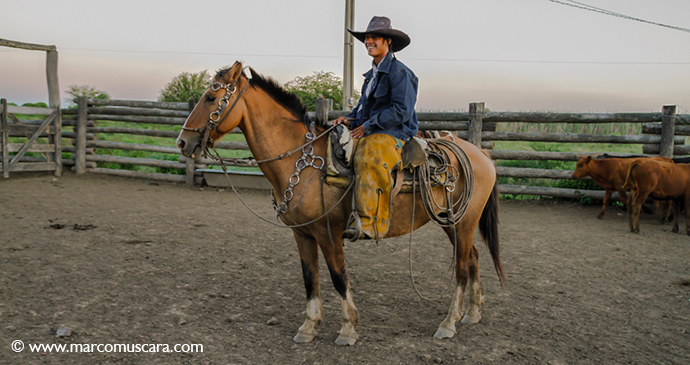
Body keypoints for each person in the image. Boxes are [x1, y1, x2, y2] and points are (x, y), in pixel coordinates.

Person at [334, 16, 419, 241]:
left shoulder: (400, 73)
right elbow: (364, 109)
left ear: (387, 41)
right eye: (367, 38)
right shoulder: (371, 76)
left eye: (374, 38)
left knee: (368, 155)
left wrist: (369, 125)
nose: (369, 41)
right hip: (373, 129)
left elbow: (402, 110)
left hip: (395, 133)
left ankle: (371, 223)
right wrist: (349, 119)